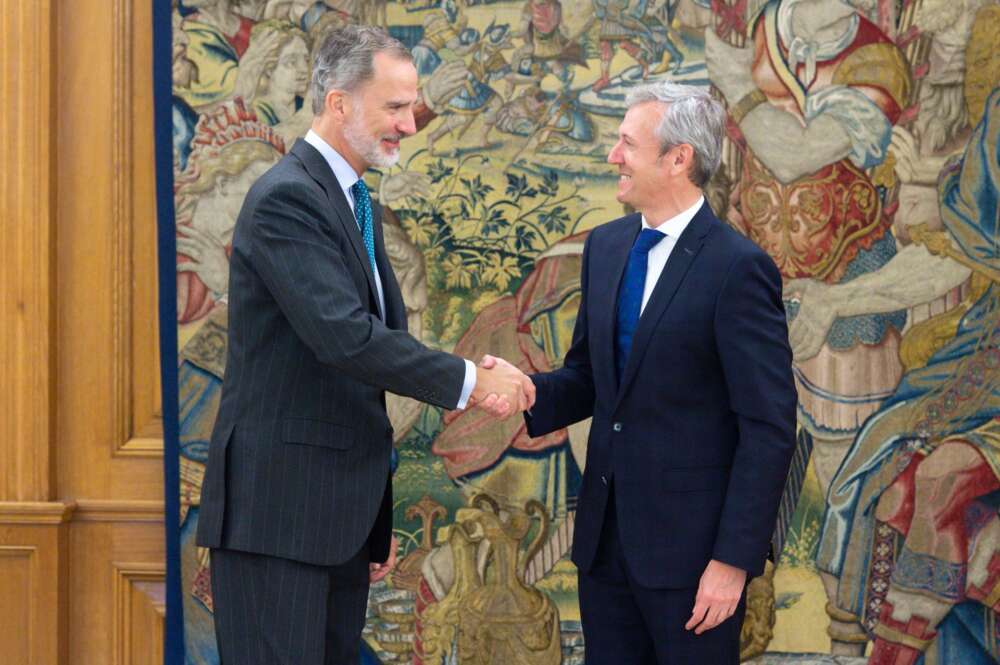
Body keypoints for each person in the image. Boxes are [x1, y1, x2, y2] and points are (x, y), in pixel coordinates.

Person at [195, 25, 533, 664]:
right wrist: (472, 381)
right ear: (339, 103)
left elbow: (365, 356)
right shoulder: (288, 199)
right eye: (396, 107)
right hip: (281, 524)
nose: (410, 124)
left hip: (332, 525)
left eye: (412, 106)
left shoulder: (354, 202)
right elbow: (347, 340)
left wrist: (365, 520)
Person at [493, 82, 797, 664]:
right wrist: (527, 391)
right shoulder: (606, 248)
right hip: (605, 554)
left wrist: (732, 564)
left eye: (627, 143)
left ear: (678, 158)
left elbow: (768, 427)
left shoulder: (738, 269)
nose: (613, 156)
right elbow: (590, 376)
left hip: (695, 567)